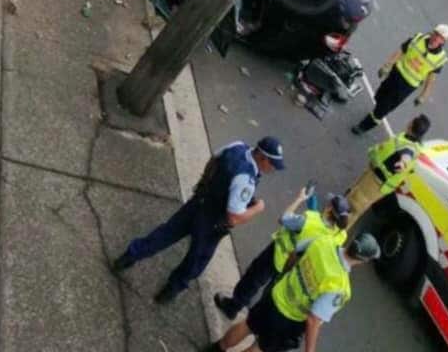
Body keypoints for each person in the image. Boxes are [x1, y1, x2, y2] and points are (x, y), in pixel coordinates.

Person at [113, 137, 285, 304]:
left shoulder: (238, 146)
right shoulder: (246, 180)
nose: (273, 169)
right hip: (212, 223)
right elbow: (234, 218)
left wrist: (204, 185)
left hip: (199, 202)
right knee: (197, 259)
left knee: (165, 234)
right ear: (262, 157)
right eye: (272, 164)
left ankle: (129, 256)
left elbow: (213, 160)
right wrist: (258, 208)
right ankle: (171, 289)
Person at [205, 232, 380, 352]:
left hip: (276, 295)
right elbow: (313, 319)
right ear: (362, 260)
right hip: (287, 320)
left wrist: (285, 274)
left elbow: (295, 253)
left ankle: (216, 348)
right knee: (260, 348)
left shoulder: (324, 241)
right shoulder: (340, 287)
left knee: (248, 324)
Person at [214, 187, 350, 322]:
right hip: (294, 268)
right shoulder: (340, 235)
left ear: (329, 209)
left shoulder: (309, 220)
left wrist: (299, 199)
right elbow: (321, 233)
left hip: (278, 255)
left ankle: (233, 307)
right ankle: (256, 322)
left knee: (252, 279)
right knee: (272, 295)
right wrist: (315, 213)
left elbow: (284, 219)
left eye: (328, 203)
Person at [352, 25, 448, 135]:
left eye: (441, 38)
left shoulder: (440, 59)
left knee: (383, 108)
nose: (436, 38)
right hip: (396, 73)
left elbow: (431, 79)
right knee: (380, 96)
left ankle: (364, 126)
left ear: (443, 41)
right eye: (436, 34)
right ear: (433, 33)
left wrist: (423, 96)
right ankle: (377, 111)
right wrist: (387, 65)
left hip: (407, 86)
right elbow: (401, 51)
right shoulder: (418, 38)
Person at [344, 115, 430, 229]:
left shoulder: (409, 148)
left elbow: (406, 156)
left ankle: (333, 230)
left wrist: (403, 163)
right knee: (352, 196)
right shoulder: (407, 139)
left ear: (411, 125)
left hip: (376, 182)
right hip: (373, 175)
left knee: (355, 206)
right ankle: (334, 216)